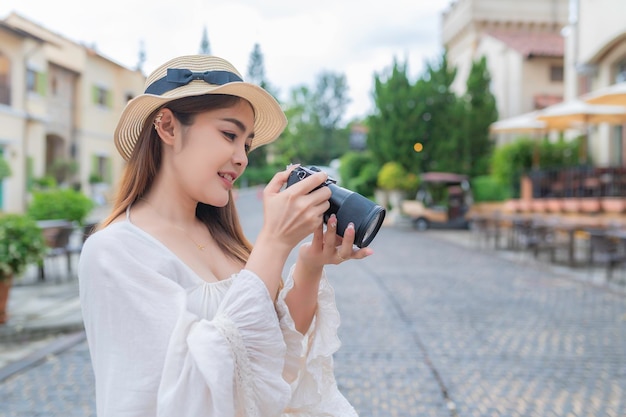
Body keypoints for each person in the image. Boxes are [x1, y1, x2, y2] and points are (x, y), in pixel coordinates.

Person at [78, 54, 373, 417]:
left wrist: (309, 263)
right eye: (229, 135)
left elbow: (275, 362)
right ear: (168, 127)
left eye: (246, 144)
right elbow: (180, 395)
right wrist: (274, 242)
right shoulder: (114, 251)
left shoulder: (226, 242)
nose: (241, 157)